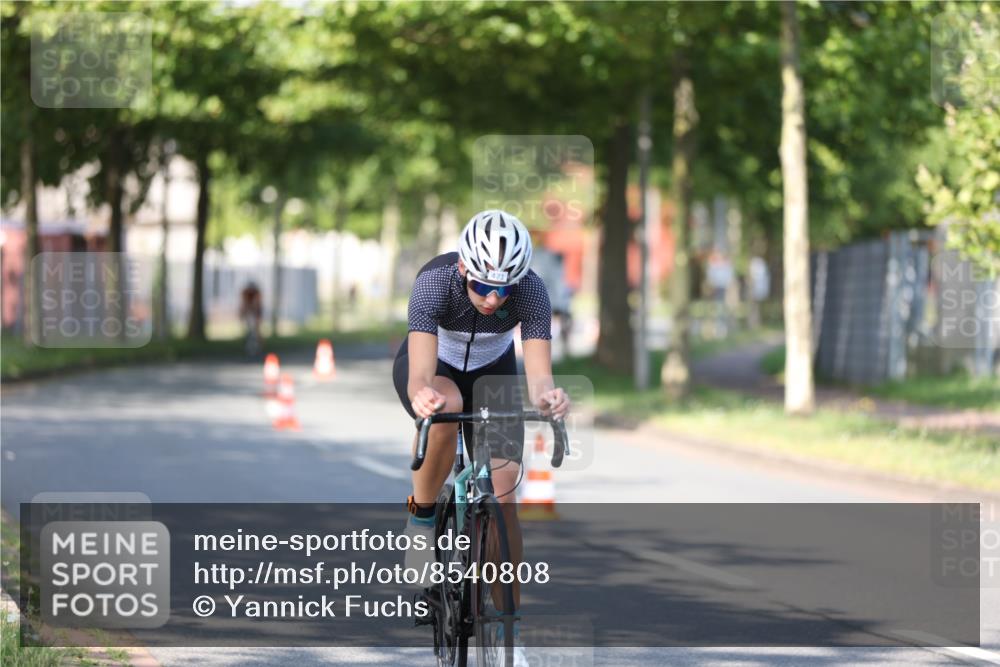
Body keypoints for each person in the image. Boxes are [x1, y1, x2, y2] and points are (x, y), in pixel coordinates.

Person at [392, 209, 570, 663]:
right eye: (483, 287)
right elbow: (419, 378)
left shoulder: (530, 290)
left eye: (503, 288)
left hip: (494, 373)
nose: (493, 299)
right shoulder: (434, 281)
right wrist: (423, 398)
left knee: (506, 492)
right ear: (463, 269)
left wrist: (549, 398)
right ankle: (422, 519)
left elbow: (539, 378)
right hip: (438, 368)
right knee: (447, 406)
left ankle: (510, 632)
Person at [239, 281, 262, 356]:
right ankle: (248, 345)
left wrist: (257, 318)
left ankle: (258, 345)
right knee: (249, 330)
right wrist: (243, 315)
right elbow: (243, 306)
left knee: (256, 330)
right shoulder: (245, 293)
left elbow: (258, 307)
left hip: (254, 313)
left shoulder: (257, 294)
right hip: (248, 313)